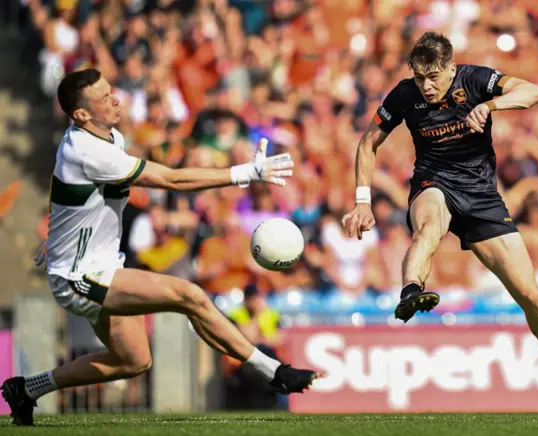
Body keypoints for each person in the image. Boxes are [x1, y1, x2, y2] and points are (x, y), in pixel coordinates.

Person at [1, 68, 318, 426]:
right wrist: (246, 173)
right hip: (81, 277)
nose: (115, 100)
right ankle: (274, 371)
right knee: (190, 295)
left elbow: (69, 193)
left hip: (97, 266)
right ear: (81, 115)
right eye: (104, 98)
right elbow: (171, 179)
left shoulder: (110, 138)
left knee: (133, 361)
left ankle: (27, 388)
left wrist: (56, 238)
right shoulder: (89, 150)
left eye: (111, 92)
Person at [341, 31, 538, 413]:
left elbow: (534, 92)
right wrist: (361, 201)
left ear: (451, 67)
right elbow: (369, 142)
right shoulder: (403, 95)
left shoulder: (476, 80)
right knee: (428, 227)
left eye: (433, 76)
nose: (426, 86)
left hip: (482, 196)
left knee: (529, 294)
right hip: (434, 182)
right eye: (420, 78)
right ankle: (410, 291)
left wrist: (493, 106)